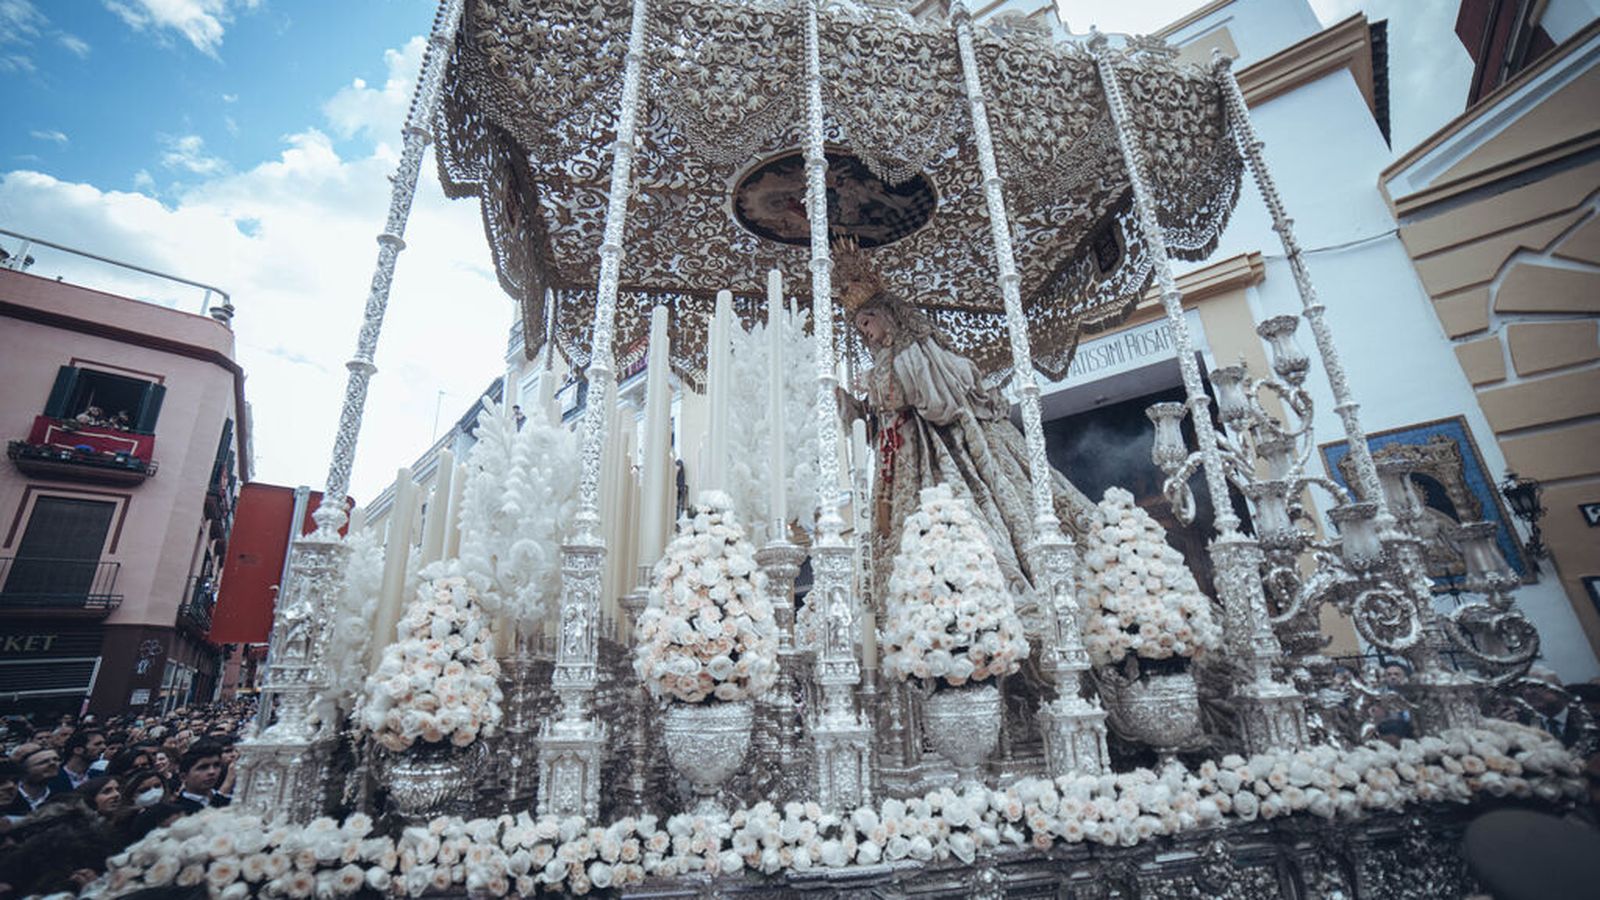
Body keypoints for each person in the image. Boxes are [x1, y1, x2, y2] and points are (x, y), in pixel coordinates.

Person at [831, 240, 1097, 619]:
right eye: (860, 328)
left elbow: (934, 399)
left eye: (867, 322)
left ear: (885, 316)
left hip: (938, 449)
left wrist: (877, 383)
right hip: (898, 457)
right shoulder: (884, 360)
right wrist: (846, 400)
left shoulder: (917, 350)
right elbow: (873, 423)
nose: (866, 334)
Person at [171, 742, 230, 812]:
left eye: (216, 765)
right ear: (183, 777)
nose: (212, 772)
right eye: (203, 767)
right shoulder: (176, 810)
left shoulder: (230, 799)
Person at [6, 747, 59, 814]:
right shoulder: (7, 797)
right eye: (43, 762)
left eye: (56, 760)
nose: (53, 763)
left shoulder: (61, 795)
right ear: (25, 770)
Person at [48, 729, 103, 794]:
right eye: (97, 744)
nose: (103, 747)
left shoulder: (99, 776)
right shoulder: (53, 778)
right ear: (78, 750)